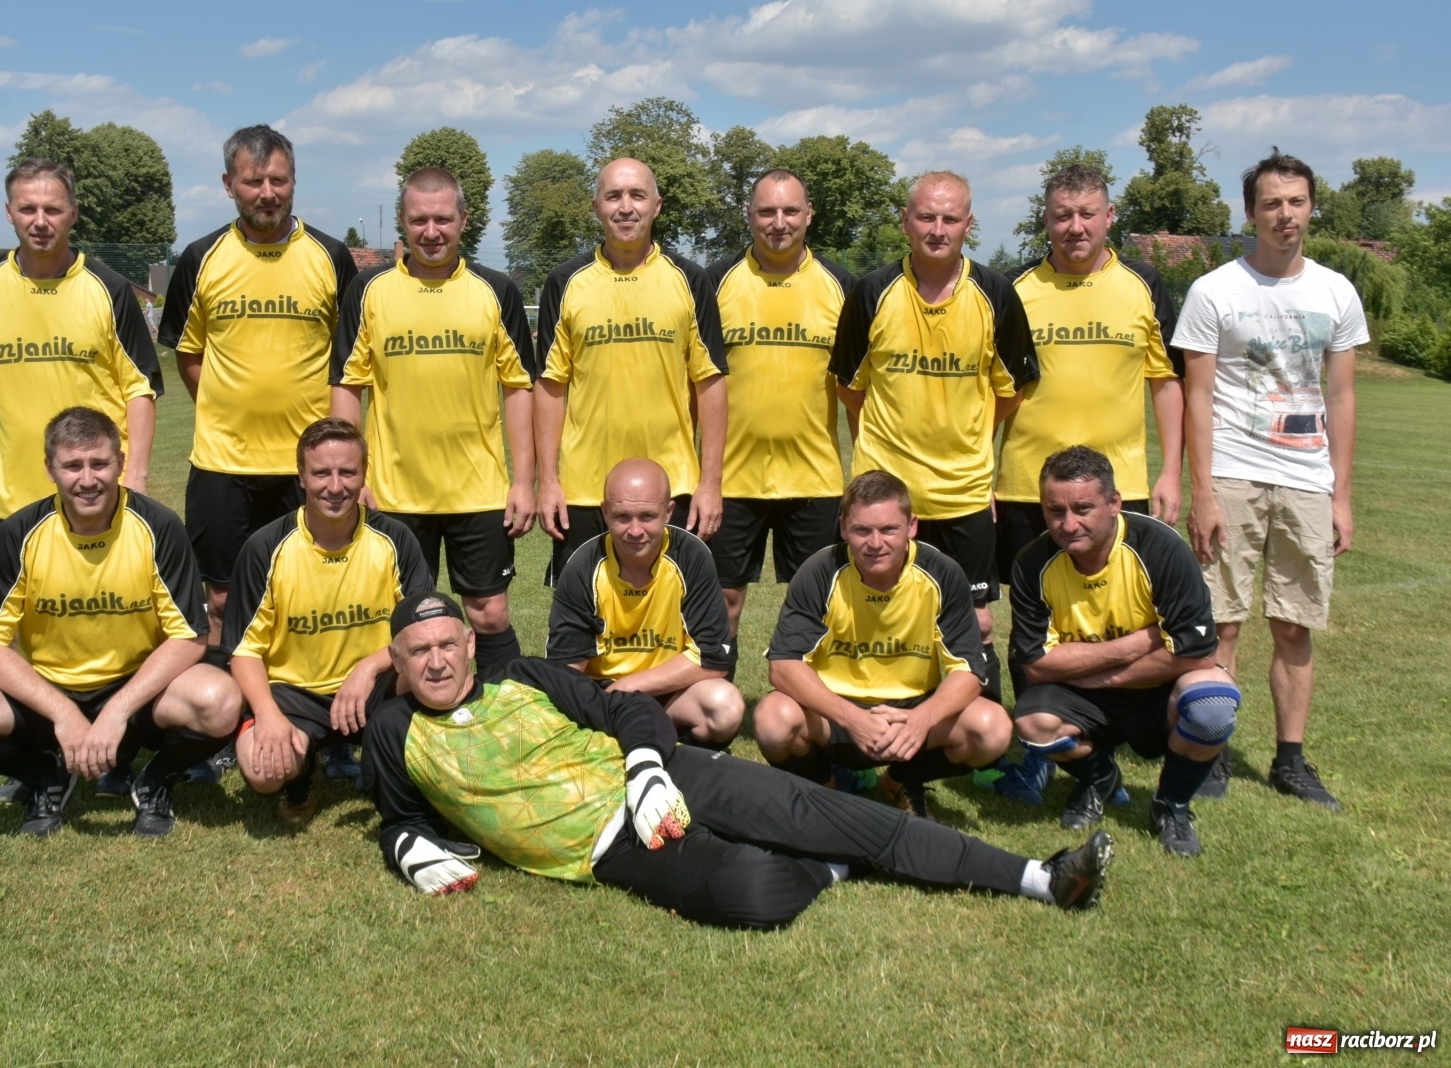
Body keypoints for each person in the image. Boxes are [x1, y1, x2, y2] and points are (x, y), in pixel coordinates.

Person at [361, 591, 1114, 929]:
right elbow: (398, 814)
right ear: (397, 659)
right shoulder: (393, 731)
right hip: (606, 845)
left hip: (666, 779)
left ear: (467, 643)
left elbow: (625, 707)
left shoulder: (521, 675)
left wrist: (649, 769)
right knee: (754, 894)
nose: (435, 663)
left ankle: (1040, 879)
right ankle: (827, 867)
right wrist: (407, 850)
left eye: (445, 645)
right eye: (417, 652)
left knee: (836, 814)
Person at [0, 407, 240, 838]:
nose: (88, 479)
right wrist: (64, 713)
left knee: (221, 701)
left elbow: (190, 637)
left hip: (138, 692)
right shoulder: (20, 533)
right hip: (47, 692)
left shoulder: (158, 526)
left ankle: (155, 780)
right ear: (50, 469)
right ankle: (43, 773)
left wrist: (118, 710)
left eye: (99, 463)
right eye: (72, 466)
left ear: (120, 463)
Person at [160, 124, 357, 783]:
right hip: (222, 462)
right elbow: (189, 356)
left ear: (294, 181)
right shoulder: (201, 257)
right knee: (220, 604)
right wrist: (229, 407)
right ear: (229, 185)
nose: (267, 192)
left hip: (310, 472)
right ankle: (224, 726)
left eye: (279, 180)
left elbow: (348, 363)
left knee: (314, 595)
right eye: (254, 181)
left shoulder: (330, 257)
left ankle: (324, 728)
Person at [1174, 148, 1366, 812]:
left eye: (1296, 201)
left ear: (1312, 206)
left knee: (1294, 625)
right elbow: (1196, 396)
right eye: (1271, 204)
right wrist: (1202, 490)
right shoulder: (1215, 291)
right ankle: (1212, 749)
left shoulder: (1336, 292)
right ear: (1250, 212)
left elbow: (1340, 398)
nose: (1285, 215)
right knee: (1221, 624)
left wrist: (1339, 494)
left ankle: (1290, 760)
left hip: (1306, 479)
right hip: (1231, 473)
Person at [992, 163, 1185, 804]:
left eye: (1087, 214)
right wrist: (986, 471)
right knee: (1035, 628)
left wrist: (1171, 472)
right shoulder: (1014, 288)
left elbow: (1166, 382)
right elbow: (996, 390)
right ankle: (1040, 755)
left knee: (1115, 617)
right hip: (1026, 486)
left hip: (1116, 489)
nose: (1074, 227)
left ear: (1109, 217)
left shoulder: (1144, 285)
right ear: (1044, 220)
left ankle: (1106, 748)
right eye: (1061, 215)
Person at [831, 171, 1037, 697]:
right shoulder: (871, 292)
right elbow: (851, 388)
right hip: (884, 493)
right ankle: (868, 730)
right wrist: (876, 455)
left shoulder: (996, 294)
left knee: (977, 621)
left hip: (963, 492)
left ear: (969, 224)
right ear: (906, 221)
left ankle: (976, 738)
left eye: (950, 218)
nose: (937, 229)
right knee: (875, 612)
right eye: (926, 216)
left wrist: (971, 443)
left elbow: (1012, 389)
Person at [331, 166, 536, 670]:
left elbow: (518, 387)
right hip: (394, 492)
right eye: (419, 219)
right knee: (402, 620)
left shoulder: (496, 290)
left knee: (488, 614)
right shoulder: (368, 290)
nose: (431, 232)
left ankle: (502, 713)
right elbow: (346, 386)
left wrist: (524, 481)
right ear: (402, 221)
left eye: (442, 219)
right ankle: (399, 729)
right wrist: (352, 477)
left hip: (479, 490)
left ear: (463, 220)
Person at [1009, 446, 1241, 857]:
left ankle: (1172, 804)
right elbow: (1038, 663)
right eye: (1055, 511)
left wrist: (1097, 674)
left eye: (1083, 508)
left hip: (1153, 693)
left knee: (1213, 700)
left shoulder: (1160, 549)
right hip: (1083, 696)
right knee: (1032, 724)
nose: (1069, 523)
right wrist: (1139, 641)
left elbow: (1198, 654)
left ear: (1114, 503)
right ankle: (1099, 778)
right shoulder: (1032, 563)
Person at [754, 471, 1012, 815]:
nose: (875, 543)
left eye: (889, 529)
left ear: (912, 526)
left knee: (992, 729)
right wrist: (851, 718)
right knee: (773, 721)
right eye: (862, 530)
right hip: (836, 715)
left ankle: (904, 777)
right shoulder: (819, 571)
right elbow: (783, 667)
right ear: (844, 527)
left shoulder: (943, 573)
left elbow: (968, 671)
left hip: (915, 716)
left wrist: (922, 719)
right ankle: (822, 784)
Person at [0, 158, 161, 525]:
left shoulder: (109, 289)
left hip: (99, 496)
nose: (40, 221)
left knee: (105, 587)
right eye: (27, 209)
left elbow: (141, 388)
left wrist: (137, 473)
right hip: (16, 504)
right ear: (9, 212)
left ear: (73, 213)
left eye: (52, 209)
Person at [223, 418, 432, 823]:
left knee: (433, 668)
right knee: (263, 770)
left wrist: (368, 668)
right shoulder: (266, 547)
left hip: (376, 687)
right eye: (321, 473)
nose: (335, 486)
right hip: (296, 692)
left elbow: (422, 630)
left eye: (347, 472)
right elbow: (244, 650)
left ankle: (404, 765)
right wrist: (267, 715)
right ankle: (301, 773)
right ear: (301, 476)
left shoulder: (395, 539)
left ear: (364, 474)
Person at [534, 157, 728, 583]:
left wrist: (710, 484)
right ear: (595, 206)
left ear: (656, 205)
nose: (626, 207)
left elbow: (710, 383)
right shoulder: (565, 281)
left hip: (672, 487)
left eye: (637, 195)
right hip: (584, 490)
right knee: (583, 618)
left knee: (674, 616)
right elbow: (550, 387)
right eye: (614, 196)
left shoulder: (691, 280)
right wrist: (547, 481)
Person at [705, 169, 856, 648]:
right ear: (749, 215)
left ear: (809, 215)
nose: (779, 222)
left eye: (790, 210)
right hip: (731, 478)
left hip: (815, 478)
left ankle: (812, 716)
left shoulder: (842, 286)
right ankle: (715, 710)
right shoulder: (714, 283)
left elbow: (859, 389)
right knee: (722, 600)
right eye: (767, 211)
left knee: (818, 603)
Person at [546, 459, 743, 748]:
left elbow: (712, 658)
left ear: (668, 512)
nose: (635, 531)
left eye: (647, 516)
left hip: (669, 693)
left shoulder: (692, 557)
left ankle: (682, 763)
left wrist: (629, 686)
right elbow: (566, 672)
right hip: (603, 698)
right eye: (623, 516)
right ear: (605, 513)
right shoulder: (582, 567)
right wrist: (601, 705)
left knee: (725, 706)